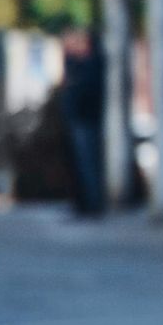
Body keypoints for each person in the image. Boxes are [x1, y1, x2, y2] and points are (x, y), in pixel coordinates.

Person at [60, 26, 105, 216]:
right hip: (79, 119)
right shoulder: (77, 64)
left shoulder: (93, 64)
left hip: (87, 119)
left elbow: (84, 90)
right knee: (81, 165)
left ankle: (92, 203)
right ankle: (85, 202)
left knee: (89, 164)